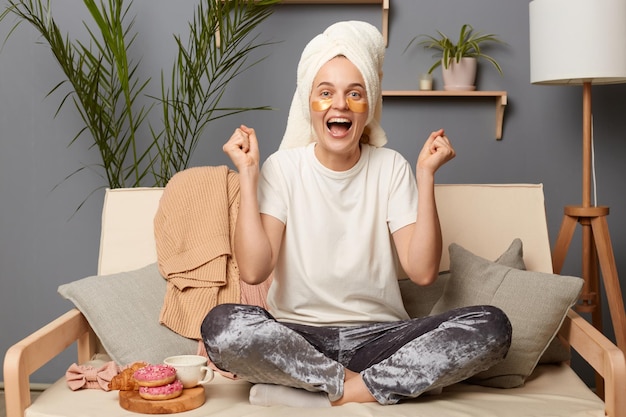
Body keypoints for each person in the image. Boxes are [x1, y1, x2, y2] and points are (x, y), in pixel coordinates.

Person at [202, 20, 511, 407]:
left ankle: (323, 391)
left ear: (369, 105)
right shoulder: (281, 168)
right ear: (307, 103)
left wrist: (425, 176)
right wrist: (248, 176)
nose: (340, 105)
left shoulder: (391, 167)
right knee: (222, 326)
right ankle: (372, 387)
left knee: (492, 326)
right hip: (299, 337)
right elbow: (253, 271)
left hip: (380, 339)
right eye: (325, 92)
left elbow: (422, 271)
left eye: (354, 93)